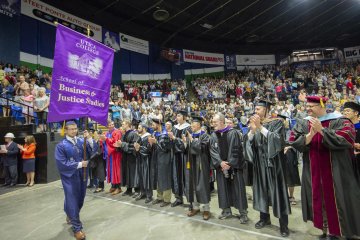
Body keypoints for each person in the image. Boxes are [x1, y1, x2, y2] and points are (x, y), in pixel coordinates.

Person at [289, 96, 360, 239]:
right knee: (318, 199)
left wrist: (322, 131)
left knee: (339, 199)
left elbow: (346, 139)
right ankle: (326, 229)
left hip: (337, 171)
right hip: (312, 171)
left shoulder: (340, 120)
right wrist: (310, 135)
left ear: (322, 105)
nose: (307, 109)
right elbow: (293, 141)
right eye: (307, 106)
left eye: (311, 106)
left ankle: (340, 231)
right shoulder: (304, 123)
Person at [244, 99, 291, 237]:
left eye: (258, 109)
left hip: (274, 165)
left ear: (266, 109)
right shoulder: (255, 124)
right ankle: (264, 218)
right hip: (259, 164)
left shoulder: (276, 122)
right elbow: (248, 144)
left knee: (278, 193)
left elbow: (278, 141)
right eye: (255, 109)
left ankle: (284, 225)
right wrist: (252, 132)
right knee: (261, 191)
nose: (256, 111)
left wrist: (260, 127)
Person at [209, 113, 248, 224]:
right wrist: (220, 163)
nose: (213, 124)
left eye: (215, 122)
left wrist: (229, 163)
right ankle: (226, 211)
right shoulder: (213, 135)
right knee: (222, 189)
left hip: (234, 167)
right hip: (221, 168)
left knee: (238, 190)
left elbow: (235, 149)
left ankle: (243, 213)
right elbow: (212, 151)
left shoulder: (233, 133)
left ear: (221, 121)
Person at [54, 121, 90, 240]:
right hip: (69, 176)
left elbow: (92, 151)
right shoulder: (61, 145)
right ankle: (77, 228)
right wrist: (79, 164)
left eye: (75, 128)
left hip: (82, 175)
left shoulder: (81, 141)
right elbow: (61, 164)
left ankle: (69, 213)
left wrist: (88, 139)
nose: (74, 131)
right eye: (71, 129)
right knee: (72, 199)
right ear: (66, 130)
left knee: (80, 198)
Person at [186, 116, 212, 220]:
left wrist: (192, 140)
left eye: (193, 123)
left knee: (202, 186)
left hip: (201, 165)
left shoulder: (205, 136)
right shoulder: (191, 135)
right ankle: (195, 207)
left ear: (199, 125)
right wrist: (186, 141)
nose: (191, 125)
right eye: (191, 123)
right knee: (192, 185)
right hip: (192, 164)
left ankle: (206, 209)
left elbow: (201, 149)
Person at [150, 118, 173, 207]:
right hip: (156, 159)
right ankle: (159, 197)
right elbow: (153, 148)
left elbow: (166, 149)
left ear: (158, 124)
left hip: (164, 159)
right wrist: (151, 144)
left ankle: (167, 199)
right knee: (158, 177)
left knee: (165, 178)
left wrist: (156, 142)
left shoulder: (165, 134)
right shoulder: (154, 134)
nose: (152, 126)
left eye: (153, 125)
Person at [170, 110, 191, 207]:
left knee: (186, 176)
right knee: (175, 175)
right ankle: (178, 198)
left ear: (184, 117)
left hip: (185, 156)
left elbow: (186, 144)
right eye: (176, 116)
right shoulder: (174, 128)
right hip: (175, 155)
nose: (177, 117)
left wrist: (174, 139)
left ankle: (191, 201)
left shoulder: (188, 128)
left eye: (179, 116)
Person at [114, 119, 140, 196]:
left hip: (132, 157)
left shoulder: (133, 134)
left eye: (123, 124)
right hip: (125, 157)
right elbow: (122, 144)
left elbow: (133, 146)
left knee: (133, 173)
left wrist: (122, 144)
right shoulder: (124, 134)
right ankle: (129, 189)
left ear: (128, 125)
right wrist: (118, 146)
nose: (122, 126)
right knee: (127, 173)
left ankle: (137, 190)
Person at [99, 120, 122, 195]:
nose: (111, 125)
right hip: (109, 155)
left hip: (115, 154)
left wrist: (106, 139)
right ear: (107, 126)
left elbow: (115, 142)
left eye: (112, 124)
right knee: (111, 171)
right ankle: (113, 186)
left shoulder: (117, 132)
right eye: (110, 125)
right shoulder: (106, 133)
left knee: (116, 170)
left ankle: (118, 187)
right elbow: (103, 142)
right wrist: (102, 140)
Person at [134, 124, 153, 202]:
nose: (138, 129)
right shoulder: (139, 137)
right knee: (141, 176)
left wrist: (139, 148)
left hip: (146, 160)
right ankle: (142, 192)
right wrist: (136, 148)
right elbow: (136, 148)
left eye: (139, 128)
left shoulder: (148, 136)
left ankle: (149, 195)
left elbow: (149, 149)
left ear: (144, 128)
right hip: (140, 159)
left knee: (146, 177)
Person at [343, 101, 360, 178]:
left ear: (356, 113)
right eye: (344, 111)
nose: (345, 113)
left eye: (348, 110)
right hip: (347, 160)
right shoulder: (343, 128)